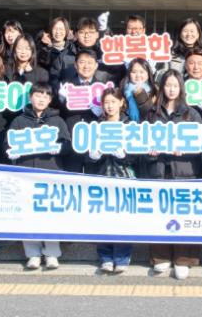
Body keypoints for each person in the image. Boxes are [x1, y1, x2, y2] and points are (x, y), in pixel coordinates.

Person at [144, 70, 202, 279]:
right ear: (162, 88)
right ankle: (160, 257)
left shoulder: (191, 114)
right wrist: (149, 152)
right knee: (159, 215)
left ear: (181, 88)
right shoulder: (152, 113)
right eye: (168, 85)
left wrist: (186, 149)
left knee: (184, 217)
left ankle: (184, 259)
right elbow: (141, 143)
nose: (171, 89)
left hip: (184, 173)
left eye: (175, 85)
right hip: (159, 172)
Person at [5, 82, 71, 270]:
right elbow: (7, 144)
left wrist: (59, 148)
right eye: (37, 95)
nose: (41, 99)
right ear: (30, 97)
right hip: (26, 174)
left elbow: (68, 145)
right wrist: (11, 152)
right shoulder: (19, 121)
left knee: (51, 215)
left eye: (45, 96)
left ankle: (52, 253)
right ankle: (32, 254)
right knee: (28, 214)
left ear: (50, 100)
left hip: (51, 173)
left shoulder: (57, 121)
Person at [89, 88, 136, 274]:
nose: (109, 106)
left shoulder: (130, 125)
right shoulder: (96, 125)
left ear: (121, 103)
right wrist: (93, 156)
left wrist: (124, 156)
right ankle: (105, 257)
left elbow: (138, 155)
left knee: (124, 219)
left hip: (124, 177)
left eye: (113, 102)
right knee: (103, 219)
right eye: (106, 102)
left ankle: (122, 257)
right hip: (101, 177)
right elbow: (86, 154)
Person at [49, 17, 124, 94]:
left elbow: (118, 79)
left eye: (91, 32)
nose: (87, 36)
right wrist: (60, 93)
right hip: (72, 98)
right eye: (82, 32)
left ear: (97, 34)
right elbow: (53, 80)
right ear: (76, 34)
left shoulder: (107, 56)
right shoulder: (64, 56)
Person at [58, 49, 104, 173]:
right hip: (71, 138)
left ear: (96, 65)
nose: (86, 66)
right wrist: (61, 100)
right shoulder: (65, 85)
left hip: (94, 139)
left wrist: (101, 113)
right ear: (75, 65)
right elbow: (56, 111)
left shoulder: (102, 87)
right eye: (82, 62)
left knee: (94, 177)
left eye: (90, 62)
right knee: (71, 176)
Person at [120, 58, 157, 122]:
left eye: (142, 72)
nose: (138, 75)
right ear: (129, 74)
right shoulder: (123, 92)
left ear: (148, 74)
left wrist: (140, 94)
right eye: (134, 72)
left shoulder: (155, 91)